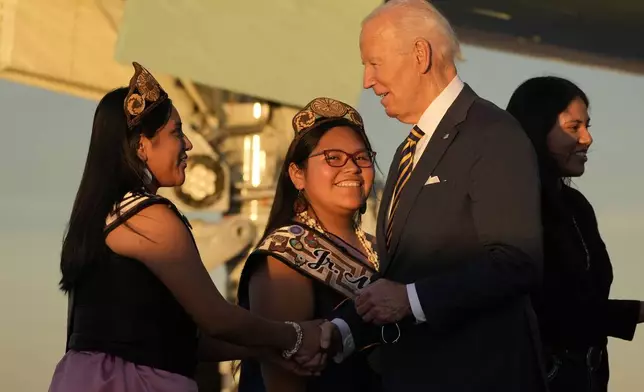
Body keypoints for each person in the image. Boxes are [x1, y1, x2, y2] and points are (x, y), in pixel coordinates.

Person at [48, 62, 330, 392]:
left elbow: (183, 340)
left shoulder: (100, 217)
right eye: (176, 132)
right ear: (142, 145)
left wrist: (272, 349)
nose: (188, 144)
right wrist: (297, 336)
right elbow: (216, 318)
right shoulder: (149, 218)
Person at [326, 1, 548, 390]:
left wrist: (411, 300)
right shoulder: (408, 150)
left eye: (374, 63)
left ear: (420, 54)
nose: (366, 80)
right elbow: (397, 278)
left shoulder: (493, 134)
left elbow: (517, 261)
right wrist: (339, 332)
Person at [506, 76, 644, 392]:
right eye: (574, 127)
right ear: (536, 129)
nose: (587, 139)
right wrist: (635, 311)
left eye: (588, 126)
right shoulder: (512, 206)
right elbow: (548, 309)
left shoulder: (576, 206)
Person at [235, 97, 382, 392]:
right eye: (333, 158)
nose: (352, 167)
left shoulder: (381, 248)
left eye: (361, 157)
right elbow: (283, 383)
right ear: (297, 174)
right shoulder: (283, 257)